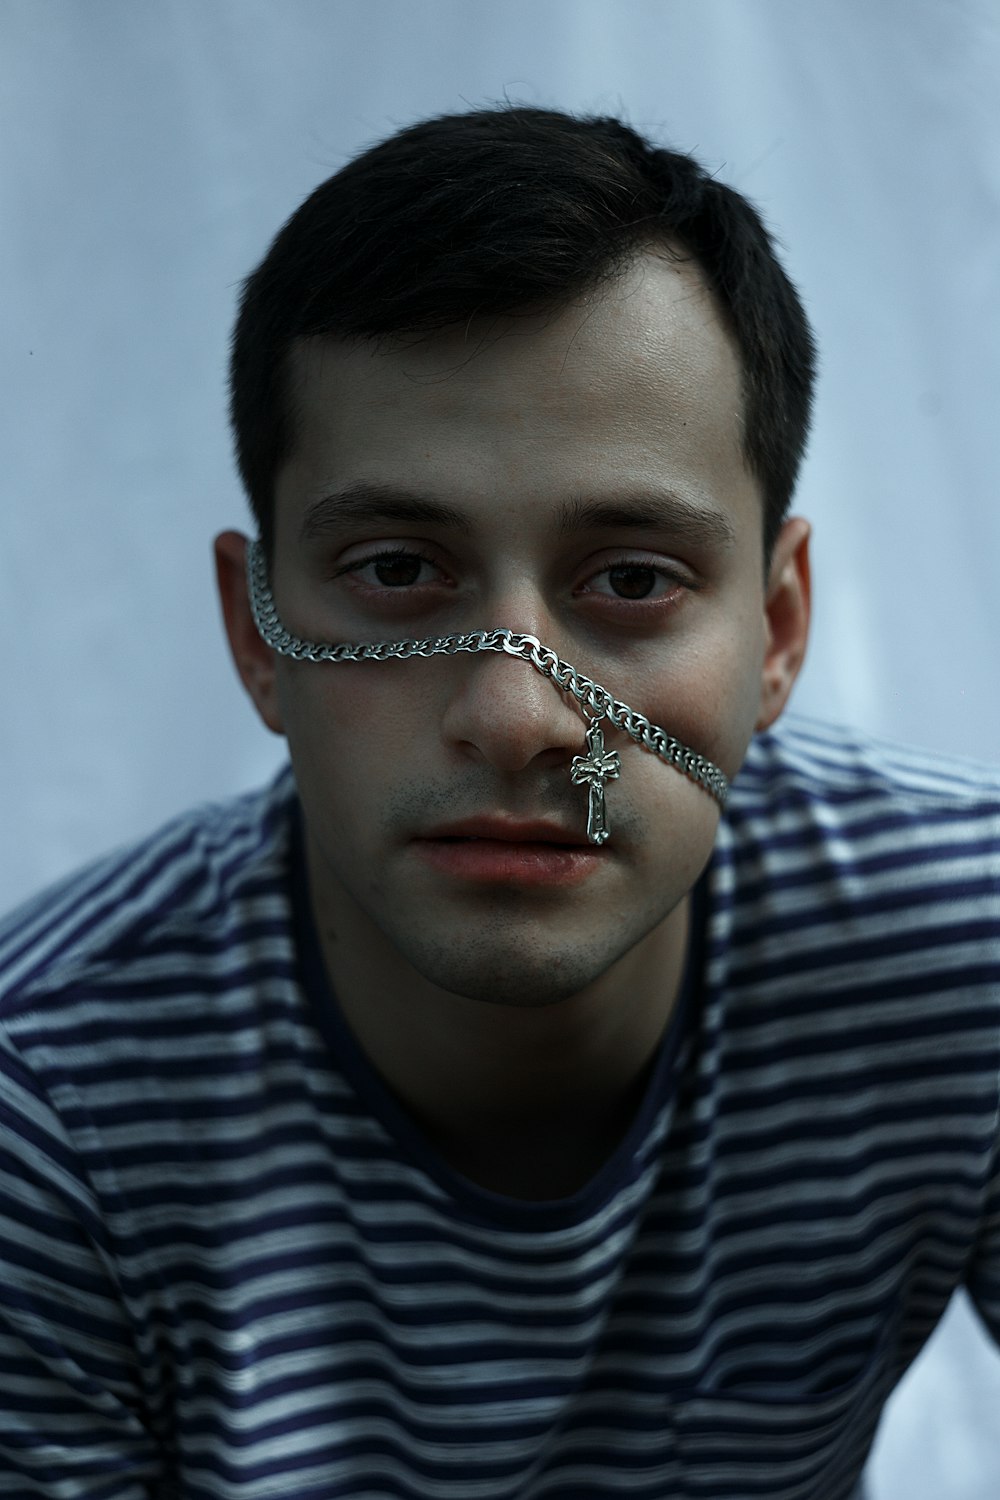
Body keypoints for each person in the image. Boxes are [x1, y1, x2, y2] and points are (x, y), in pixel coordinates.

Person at [0, 104, 997, 1500]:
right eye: (400, 569)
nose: (520, 715)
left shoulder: (970, 948)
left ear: (775, 633)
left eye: (634, 581)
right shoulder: (39, 1113)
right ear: (256, 633)